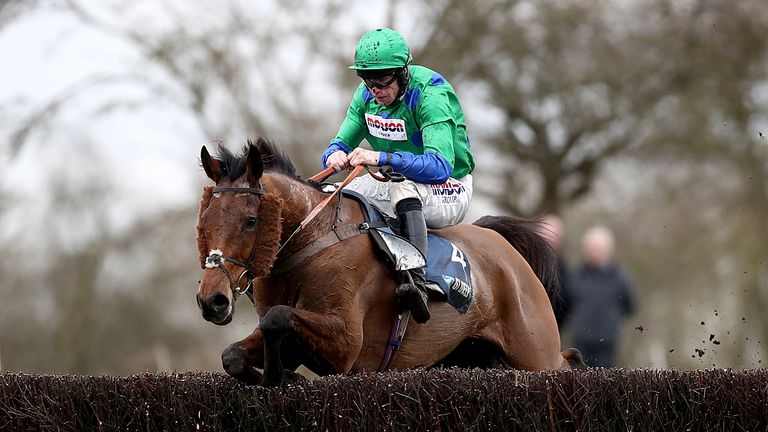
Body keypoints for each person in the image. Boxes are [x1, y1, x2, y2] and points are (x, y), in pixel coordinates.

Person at [322, 28, 475, 324]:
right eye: (368, 83)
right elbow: (337, 144)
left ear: (403, 73)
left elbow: (439, 166)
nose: (375, 91)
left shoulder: (431, 94)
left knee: (402, 188)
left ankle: (416, 282)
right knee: (335, 192)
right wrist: (333, 155)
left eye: (382, 83)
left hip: (448, 186)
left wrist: (380, 157)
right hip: (394, 180)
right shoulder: (366, 95)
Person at [567, 226, 636, 367]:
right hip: (581, 343)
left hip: (607, 344)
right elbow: (567, 304)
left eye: (598, 249)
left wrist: (612, 321)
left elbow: (630, 306)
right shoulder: (576, 276)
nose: (595, 253)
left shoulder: (619, 277)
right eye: (591, 249)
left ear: (608, 251)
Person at [536, 214, 572, 327]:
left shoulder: (564, 269)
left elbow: (566, 301)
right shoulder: (527, 261)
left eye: (553, 237)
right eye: (546, 235)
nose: (549, 240)